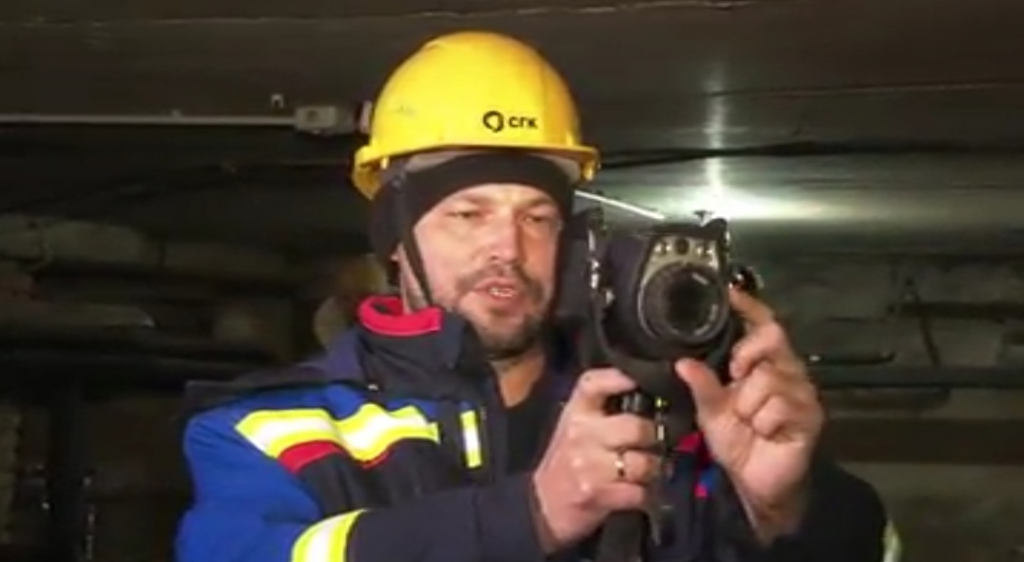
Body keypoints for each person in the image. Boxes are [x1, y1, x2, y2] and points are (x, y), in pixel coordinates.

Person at [175, 31, 901, 562]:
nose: (508, 247)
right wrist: (529, 516)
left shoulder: (657, 414)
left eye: (538, 217)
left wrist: (789, 506)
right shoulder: (269, 429)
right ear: (396, 240)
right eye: (468, 214)